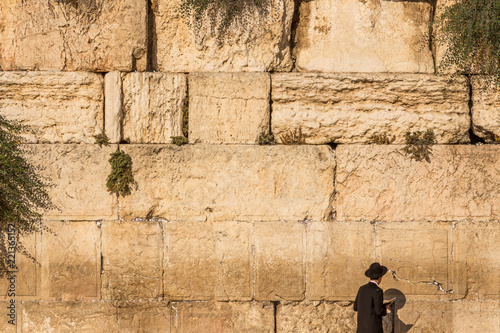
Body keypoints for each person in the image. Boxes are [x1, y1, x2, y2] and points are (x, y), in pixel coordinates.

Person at [353, 262, 395, 333]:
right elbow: (378, 311)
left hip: (361, 329)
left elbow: (355, 307)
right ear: (380, 277)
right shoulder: (378, 291)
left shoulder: (361, 289)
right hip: (373, 329)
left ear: (370, 276)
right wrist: (385, 307)